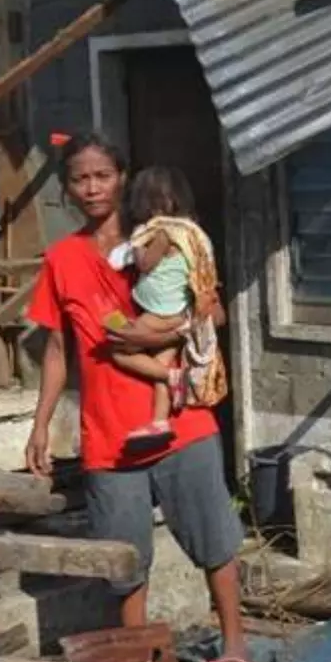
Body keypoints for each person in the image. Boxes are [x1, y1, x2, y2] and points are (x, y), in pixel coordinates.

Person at [24, 134, 254, 662]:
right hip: (108, 435)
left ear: (122, 177)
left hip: (182, 421)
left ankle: (235, 647)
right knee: (125, 560)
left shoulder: (162, 239)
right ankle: (143, 660)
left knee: (215, 540)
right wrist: (39, 426)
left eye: (102, 176)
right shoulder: (62, 259)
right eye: (80, 179)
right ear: (66, 188)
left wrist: (160, 334)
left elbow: (214, 313)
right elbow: (57, 350)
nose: (92, 188)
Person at [107, 166, 227, 452]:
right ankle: (159, 422)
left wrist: (138, 244)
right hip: (182, 313)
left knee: (117, 344)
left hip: (161, 312)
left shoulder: (163, 234)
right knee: (161, 364)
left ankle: (176, 378)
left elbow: (145, 264)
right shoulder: (191, 233)